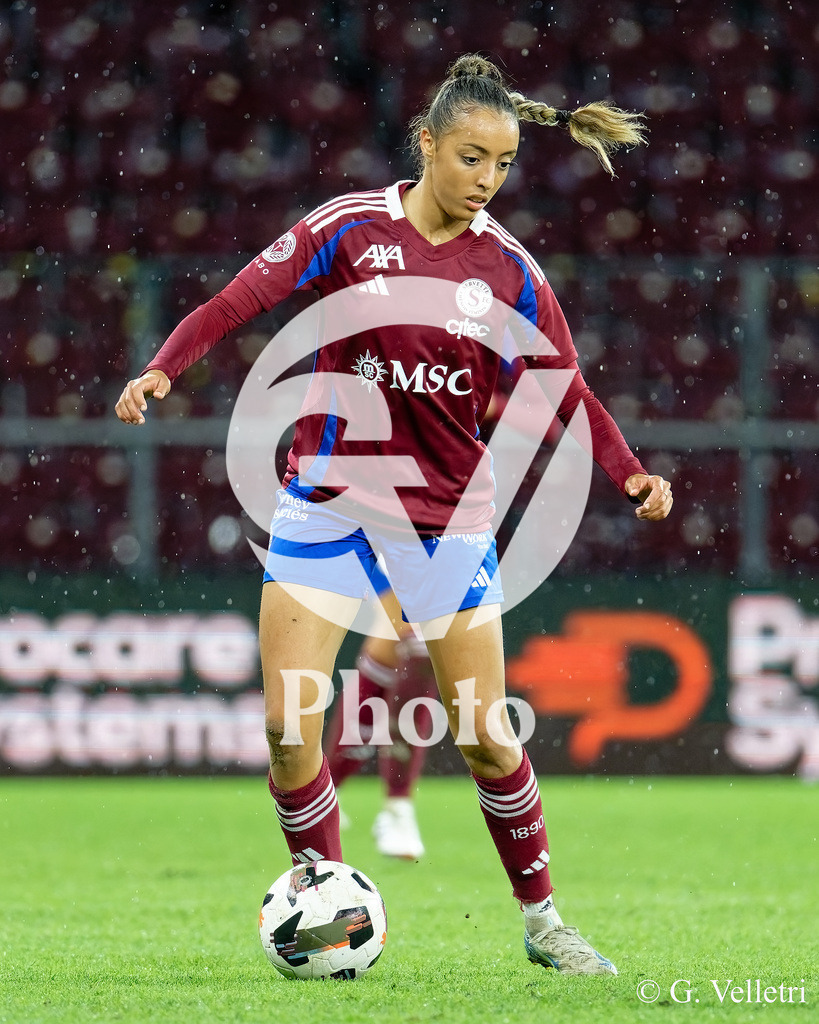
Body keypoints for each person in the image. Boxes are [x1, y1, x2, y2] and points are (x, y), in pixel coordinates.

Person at [116, 54, 673, 977]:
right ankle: (325, 897)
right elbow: (239, 300)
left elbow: (564, 390)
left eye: (500, 165)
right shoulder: (350, 227)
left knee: (486, 735)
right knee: (291, 730)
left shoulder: (508, 271)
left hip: (446, 524)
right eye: (469, 159)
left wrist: (626, 474)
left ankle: (543, 924)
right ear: (425, 146)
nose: (485, 181)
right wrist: (164, 366)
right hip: (325, 507)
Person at [324, 573, 434, 861]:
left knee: (398, 642)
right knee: (417, 640)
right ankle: (397, 805)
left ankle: (328, 790)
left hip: (439, 540)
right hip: (388, 538)